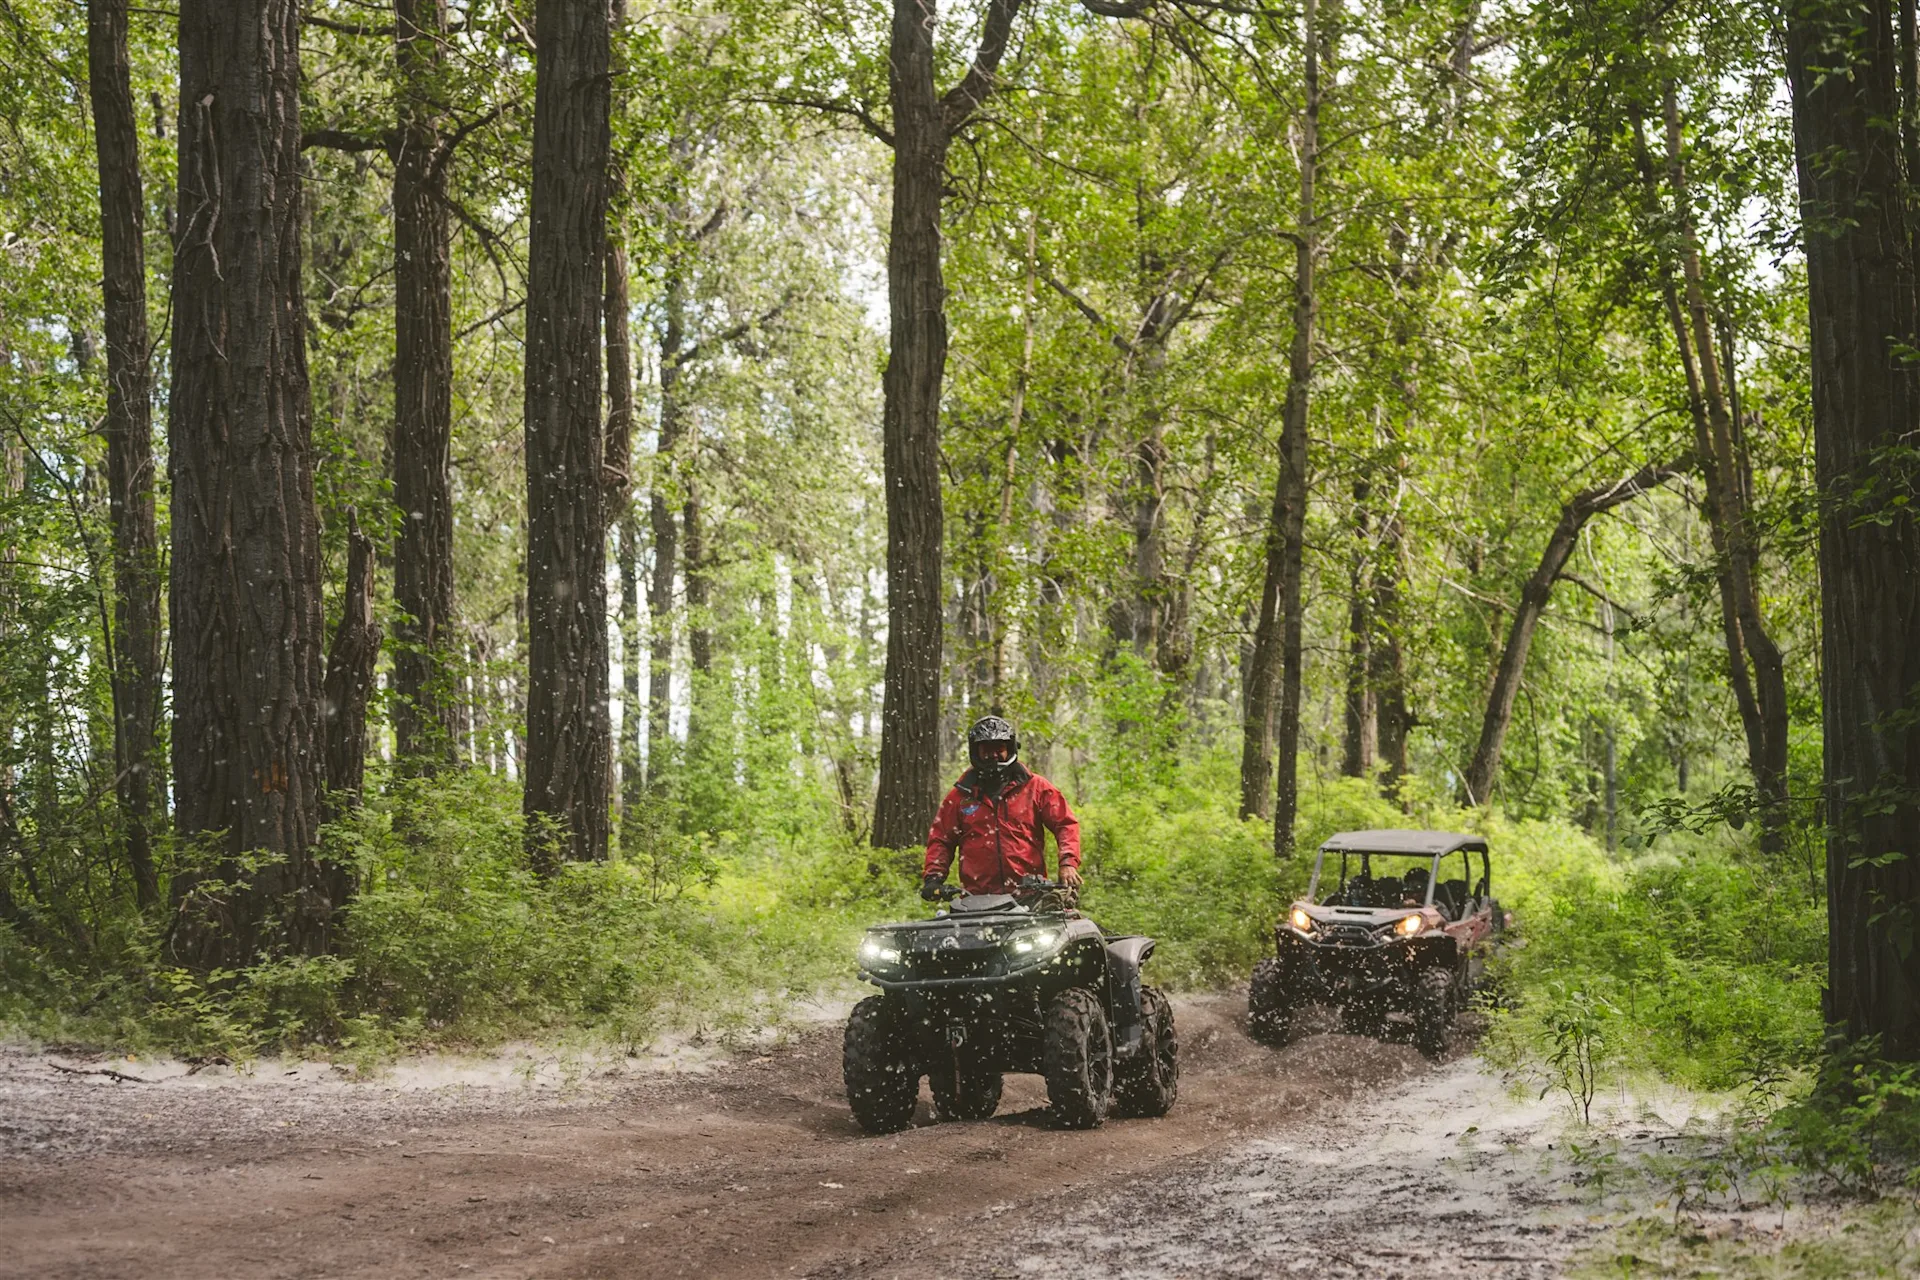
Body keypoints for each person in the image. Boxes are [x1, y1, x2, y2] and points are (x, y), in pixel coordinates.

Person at [921, 716, 1081, 900]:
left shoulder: (1036, 788)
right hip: (977, 899)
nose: (993, 755)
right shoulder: (960, 796)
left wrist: (1068, 863)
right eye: (986, 749)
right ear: (976, 751)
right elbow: (941, 839)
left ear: (1010, 748)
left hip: (1030, 896)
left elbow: (1065, 824)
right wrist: (934, 878)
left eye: (999, 748)